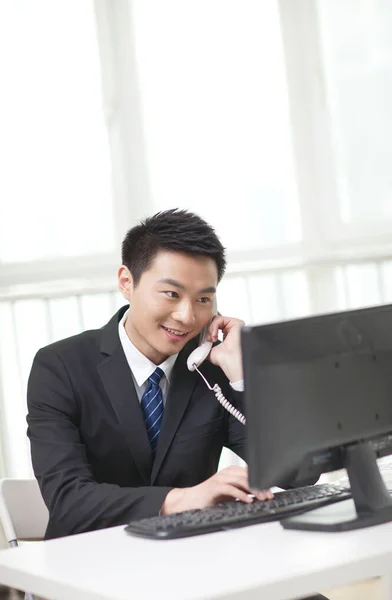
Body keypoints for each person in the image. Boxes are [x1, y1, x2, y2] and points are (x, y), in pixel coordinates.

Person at [27, 209, 329, 600]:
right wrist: (180, 499)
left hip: (197, 566)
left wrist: (240, 374)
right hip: (93, 574)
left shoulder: (209, 367)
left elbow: (300, 473)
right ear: (126, 282)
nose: (187, 316)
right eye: (171, 294)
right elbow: (69, 501)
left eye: (204, 298)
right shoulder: (60, 367)